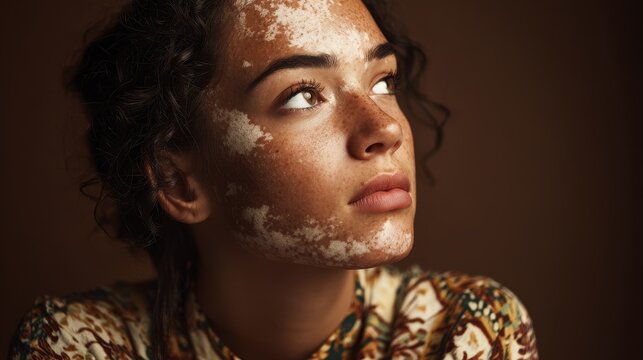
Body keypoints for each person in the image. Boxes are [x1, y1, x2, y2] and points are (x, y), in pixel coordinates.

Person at [8, 0, 538, 359]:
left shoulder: (467, 331)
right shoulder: (80, 344)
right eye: (303, 94)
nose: (385, 130)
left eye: (383, 81)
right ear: (179, 182)